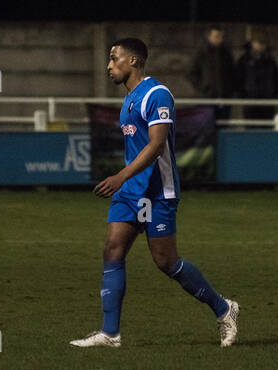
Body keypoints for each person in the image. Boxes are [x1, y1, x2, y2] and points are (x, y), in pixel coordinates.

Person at [70, 38, 238, 348]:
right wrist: (126, 182)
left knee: (166, 262)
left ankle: (224, 309)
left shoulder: (157, 94)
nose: (108, 65)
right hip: (131, 191)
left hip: (158, 191)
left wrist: (120, 175)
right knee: (112, 249)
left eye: (114, 58)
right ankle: (110, 334)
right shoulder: (130, 99)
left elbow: (157, 144)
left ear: (133, 60)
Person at [187, 25, 237, 123]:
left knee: (223, 125)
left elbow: (233, 73)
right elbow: (191, 73)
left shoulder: (226, 53)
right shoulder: (201, 53)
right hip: (207, 97)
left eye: (222, 36)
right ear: (209, 36)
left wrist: (229, 89)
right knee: (206, 126)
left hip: (224, 97)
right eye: (217, 36)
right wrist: (203, 87)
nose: (220, 39)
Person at [234, 30, 278, 123]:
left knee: (267, 129)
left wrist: (273, 95)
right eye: (259, 43)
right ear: (253, 43)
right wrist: (243, 96)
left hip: (267, 102)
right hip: (250, 102)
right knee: (251, 128)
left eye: (263, 44)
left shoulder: (270, 60)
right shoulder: (244, 60)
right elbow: (238, 79)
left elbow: (277, 79)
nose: (261, 46)